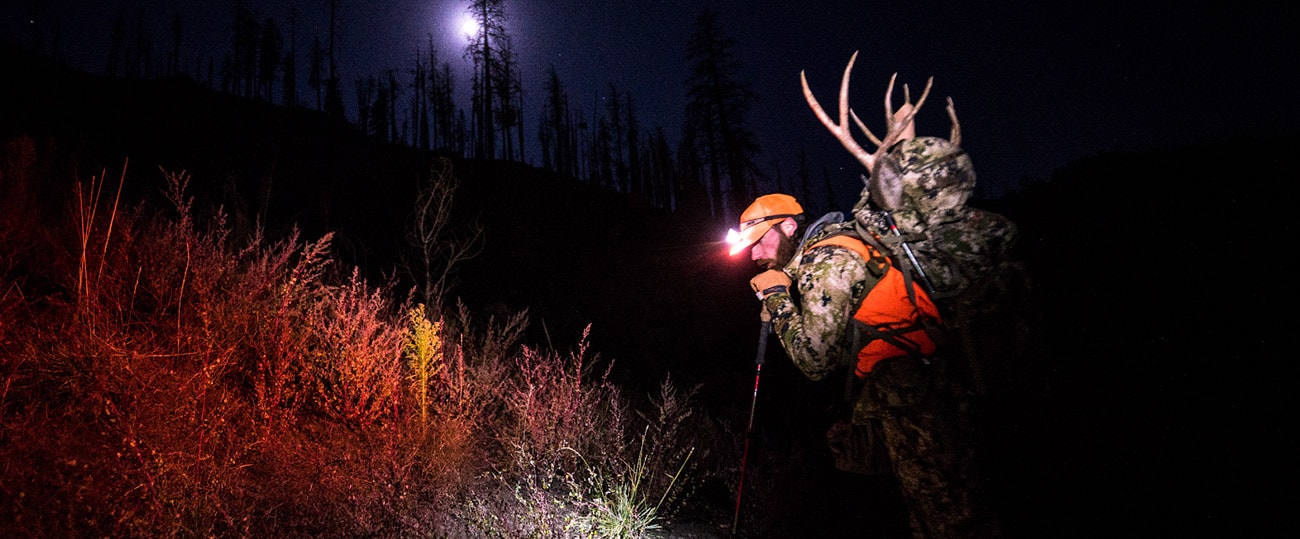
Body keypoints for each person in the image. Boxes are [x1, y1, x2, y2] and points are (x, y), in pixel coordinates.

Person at [728, 192, 1000, 538]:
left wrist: (777, 298)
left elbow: (814, 362)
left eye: (760, 242)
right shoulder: (831, 251)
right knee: (930, 511)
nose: (754, 254)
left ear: (788, 226)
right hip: (913, 386)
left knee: (949, 516)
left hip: (917, 391)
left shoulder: (824, 260)